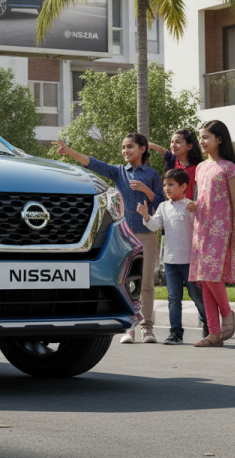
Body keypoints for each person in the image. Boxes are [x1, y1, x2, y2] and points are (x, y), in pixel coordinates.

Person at [53, 133, 164, 344]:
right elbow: (93, 164)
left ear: (142, 149)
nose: (125, 151)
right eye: (123, 147)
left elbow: (160, 202)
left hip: (147, 235)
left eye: (130, 147)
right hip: (124, 237)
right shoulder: (118, 171)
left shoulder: (152, 174)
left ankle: (147, 329)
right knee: (125, 282)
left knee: (147, 284)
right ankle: (130, 328)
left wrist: (145, 190)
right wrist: (70, 152)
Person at [187, 120, 235, 348]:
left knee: (212, 275)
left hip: (221, 230)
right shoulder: (201, 168)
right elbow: (204, 199)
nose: (201, 141)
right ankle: (213, 333)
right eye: (200, 137)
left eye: (206, 137)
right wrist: (194, 205)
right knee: (204, 279)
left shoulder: (228, 167)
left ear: (219, 139)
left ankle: (226, 313)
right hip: (201, 229)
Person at [137, 169, 206, 344]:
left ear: (183, 187)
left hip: (190, 262)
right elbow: (154, 226)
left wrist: (198, 209)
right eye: (165, 185)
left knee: (196, 296)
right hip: (170, 262)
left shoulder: (191, 205)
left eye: (171, 185)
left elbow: (201, 228)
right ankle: (176, 332)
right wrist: (146, 216)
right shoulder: (163, 206)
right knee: (173, 298)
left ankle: (208, 325)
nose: (166, 188)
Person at [148, 129, 202, 199]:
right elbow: (160, 149)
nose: (173, 145)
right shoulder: (172, 160)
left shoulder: (198, 167)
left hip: (189, 206)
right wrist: (143, 143)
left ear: (189, 146)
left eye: (178, 142)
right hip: (172, 205)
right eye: (172, 142)